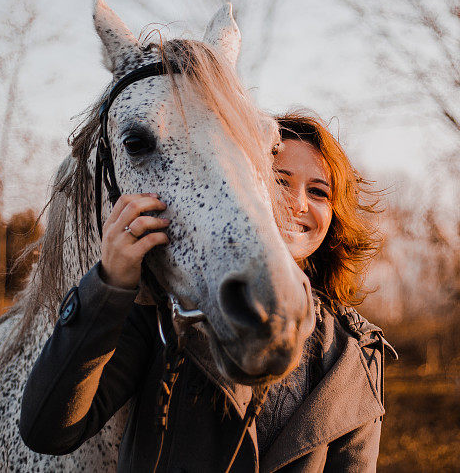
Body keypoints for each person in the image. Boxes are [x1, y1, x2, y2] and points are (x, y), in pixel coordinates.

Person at [19, 110, 394, 472]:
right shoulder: (165, 310)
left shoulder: (355, 353)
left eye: (318, 192)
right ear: (246, 187)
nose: (298, 204)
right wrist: (109, 283)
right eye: (280, 180)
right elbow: (48, 429)